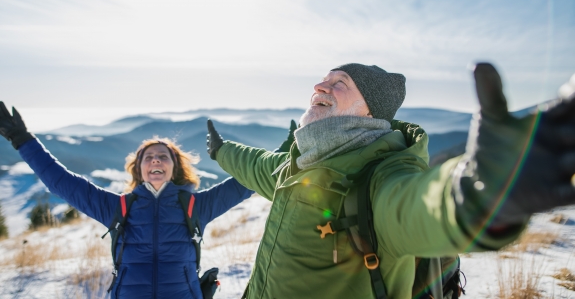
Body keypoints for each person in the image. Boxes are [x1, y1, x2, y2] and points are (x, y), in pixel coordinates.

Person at [206, 62, 575, 299]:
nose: (320, 85)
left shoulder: (380, 176)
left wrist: (482, 192)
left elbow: (417, 205)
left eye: (340, 82)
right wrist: (221, 151)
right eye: (323, 78)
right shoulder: (297, 166)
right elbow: (255, 164)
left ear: (369, 109)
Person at [0, 105, 253, 299]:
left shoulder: (196, 206)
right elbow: (61, 182)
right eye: (148, 157)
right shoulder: (118, 207)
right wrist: (22, 140)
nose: (155, 160)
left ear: (174, 168)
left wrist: (285, 155)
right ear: (139, 169)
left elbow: (247, 181)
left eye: (163, 156)